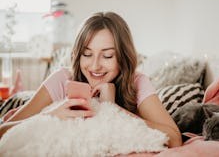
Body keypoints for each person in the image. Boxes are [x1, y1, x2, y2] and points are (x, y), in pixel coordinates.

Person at [0, 12, 182, 147]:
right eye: (87, 54)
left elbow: (174, 138)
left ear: (123, 58)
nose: (95, 66)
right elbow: (3, 131)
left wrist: (111, 109)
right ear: (77, 56)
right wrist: (49, 115)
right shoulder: (62, 79)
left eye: (107, 56)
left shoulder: (137, 82)